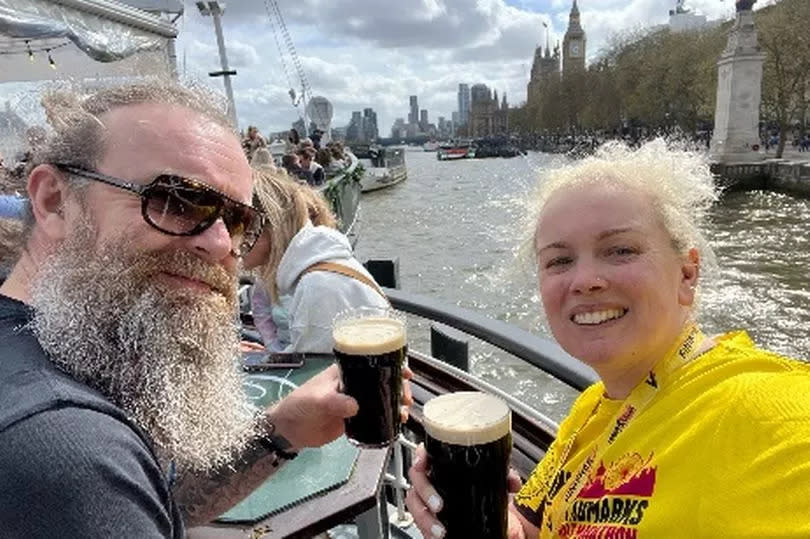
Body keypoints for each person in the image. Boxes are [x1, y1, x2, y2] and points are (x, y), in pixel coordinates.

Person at [0, 81, 393, 537]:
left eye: (238, 220)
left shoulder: (44, 354)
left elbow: (156, 501)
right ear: (54, 201)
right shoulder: (67, 454)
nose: (222, 244)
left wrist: (281, 431)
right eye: (176, 200)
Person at [406, 139, 810, 538]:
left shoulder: (771, 414)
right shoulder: (591, 411)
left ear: (687, 274)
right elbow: (531, 529)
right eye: (560, 260)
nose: (584, 281)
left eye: (620, 250)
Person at [243, 168, 389, 353]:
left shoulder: (317, 286)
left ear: (272, 226)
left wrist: (271, 355)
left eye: (238, 224)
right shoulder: (319, 270)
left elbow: (316, 371)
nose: (224, 239)